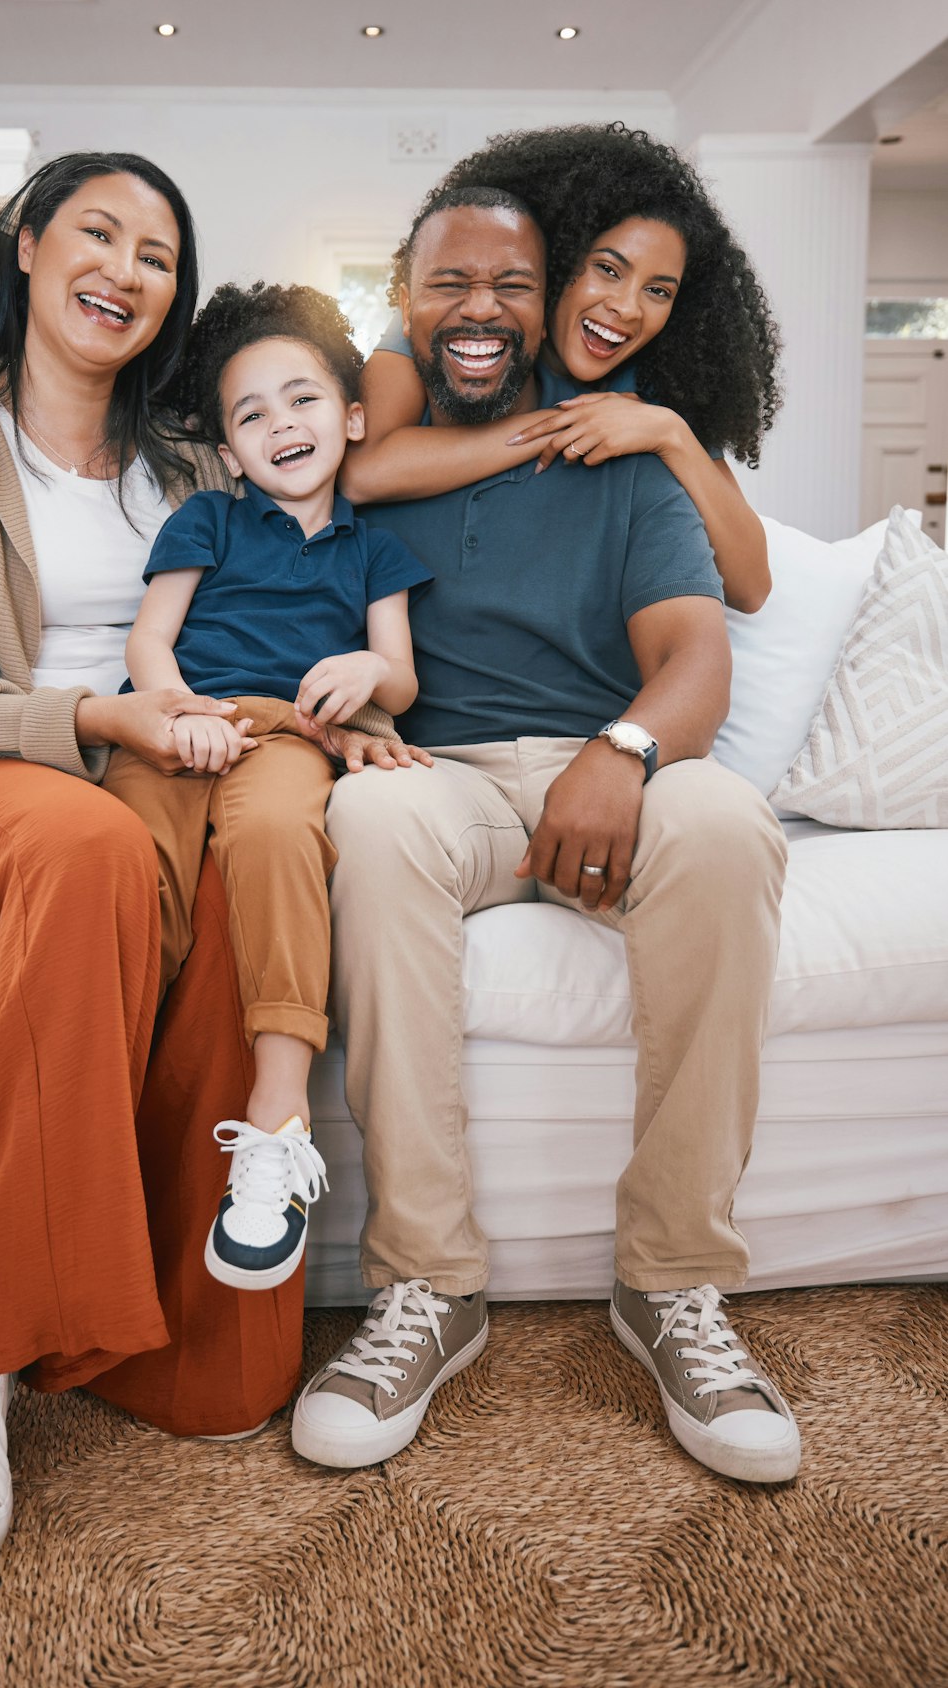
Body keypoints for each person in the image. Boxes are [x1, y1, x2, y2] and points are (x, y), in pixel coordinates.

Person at [0, 138, 414, 1588]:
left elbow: (345, 487)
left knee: (244, 880)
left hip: (185, 769)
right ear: (24, 246)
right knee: (86, 849)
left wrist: (337, 721)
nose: (127, 271)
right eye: (98, 235)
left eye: (157, 254)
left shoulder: (205, 462)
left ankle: (186, 1329)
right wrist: (92, 714)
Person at [290, 185, 799, 1487]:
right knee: (374, 816)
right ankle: (426, 1286)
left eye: (509, 285)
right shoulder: (384, 429)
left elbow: (698, 647)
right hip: (440, 773)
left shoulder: (632, 456)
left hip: (605, 768)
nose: (485, 309)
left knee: (729, 826)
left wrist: (623, 751)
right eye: (453, 285)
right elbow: (308, 578)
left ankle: (672, 1284)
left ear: (542, 288)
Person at [108, 283, 431, 1294]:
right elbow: (149, 637)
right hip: (178, 721)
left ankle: (278, 1123)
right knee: (126, 877)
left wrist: (370, 680)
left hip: (293, 731)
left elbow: (402, 673)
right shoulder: (205, 518)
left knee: (281, 835)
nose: (279, 425)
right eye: (250, 414)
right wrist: (177, 712)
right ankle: (103, 1119)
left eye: (299, 400)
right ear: (229, 448)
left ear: (350, 418)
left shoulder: (375, 548)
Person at [342, 123, 782, 614]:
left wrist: (669, 432)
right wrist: (572, 422)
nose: (628, 308)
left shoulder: (652, 385)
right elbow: (365, 471)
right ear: (557, 258)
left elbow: (751, 586)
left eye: (658, 290)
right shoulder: (450, 321)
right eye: (607, 270)